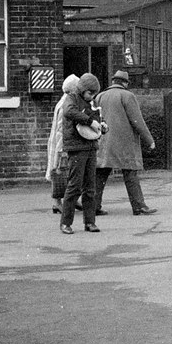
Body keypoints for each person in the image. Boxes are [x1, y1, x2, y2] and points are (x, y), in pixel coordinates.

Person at [94, 70, 158, 215]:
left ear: (113, 82)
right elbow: (137, 121)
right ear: (125, 83)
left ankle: (94, 206)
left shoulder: (100, 96)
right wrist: (149, 140)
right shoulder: (128, 96)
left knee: (100, 174)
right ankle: (139, 206)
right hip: (125, 143)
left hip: (105, 142)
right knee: (130, 174)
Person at [59, 72, 107, 234]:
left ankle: (90, 222)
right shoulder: (71, 98)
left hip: (90, 146)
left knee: (90, 187)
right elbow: (69, 112)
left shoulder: (90, 101)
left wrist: (102, 126)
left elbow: (97, 119)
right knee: (74, 186)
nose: (91, 97)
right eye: (90, 93)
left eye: (94, 94)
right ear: (82, 89)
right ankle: (66, 223)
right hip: (77, 147)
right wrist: (90, 121)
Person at [46, 74, 80, 214]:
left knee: (60, 171)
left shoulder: (62, 101)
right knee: (60, 171)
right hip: (61, 142)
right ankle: (57, 202)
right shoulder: (67, 103)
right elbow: (62, 128)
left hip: (58, 141)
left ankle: (66, 200)